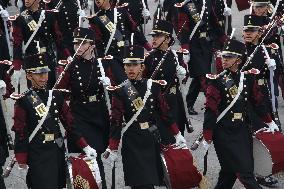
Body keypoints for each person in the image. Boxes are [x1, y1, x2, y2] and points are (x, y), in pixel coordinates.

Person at [103, 45, 186, 189]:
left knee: (149, 183)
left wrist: (177, 134)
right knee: (142, 185)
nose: (131, 69)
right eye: (127, 65)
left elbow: (165, 112)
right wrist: (113, 148)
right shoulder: (120, 91)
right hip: (132, 142)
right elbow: (116, 122)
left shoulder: (152, 87)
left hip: (150, 140)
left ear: (142, 66)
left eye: (134, 65)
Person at [12, 53, 97, 189]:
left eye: (45, 73)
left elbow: (70, 124)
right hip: (37, 155)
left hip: (56, 151)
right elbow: (20, 132)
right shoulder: (23, 101)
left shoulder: (55, 95)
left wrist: (85, 146)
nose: (43, 77)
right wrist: (22, 159)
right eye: (38, 74)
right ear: (29, 76)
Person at [203, 38, 279, 189]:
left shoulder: (247, 79)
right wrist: (207, 136)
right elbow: (210, 111)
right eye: (223, 56)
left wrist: (270, 121)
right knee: (245, 172)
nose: (224, 60)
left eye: (229, 57)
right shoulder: (217, 81)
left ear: (238, 59)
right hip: (224, 133)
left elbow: (258, 102)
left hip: (242, 131)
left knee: (228, 174)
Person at [55, 27, 116, 189]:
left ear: (91, 45)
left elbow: (119, 91)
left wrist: (109, 85)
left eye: (82, 44)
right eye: (76, 44)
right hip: (80, 114)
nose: (78, 47)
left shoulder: (101, 64)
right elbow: (58, 93)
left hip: (98, 113)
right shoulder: (71, 66)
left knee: (97, 155)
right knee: (90, 156)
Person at [242, 14, 282, 186]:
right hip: (246, 98)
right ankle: (253, 172)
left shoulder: (268, 50)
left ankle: (265, 171)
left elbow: (278, 71)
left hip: (263, 95)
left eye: (252, 31)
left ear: (260, 32)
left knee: (268, 133)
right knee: (252, 136)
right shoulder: (239, 51)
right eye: (246, 31)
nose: (248, 33)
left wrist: (274, 64)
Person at [175, 0, 226, 115]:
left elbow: (214, 23)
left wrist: (225, 40)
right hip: (193, 46)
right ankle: (213, 105)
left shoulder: (207, 2)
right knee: (203, 76)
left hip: (206, 45)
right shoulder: (187, 5)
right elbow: (183, 29)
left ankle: (187, 105)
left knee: (199, 77)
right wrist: (185, 49)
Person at [11, 0, 72, 89]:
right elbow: (17, 44)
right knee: (35, 95)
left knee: (50, 91)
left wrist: (68, 55)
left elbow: (58, 39)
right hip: (31, 61)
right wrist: (17, 67)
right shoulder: (20, 19)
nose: (26, 0)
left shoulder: (49, 15)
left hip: (47, 59)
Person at [144, 19, 189, 136]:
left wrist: (183, 74)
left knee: (177, 137)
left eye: (158, 36)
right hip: (157, 102)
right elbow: (142, 81)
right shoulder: (148, 58)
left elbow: (184, 79)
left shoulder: (176, 56)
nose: (153, 39)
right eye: (153, 36)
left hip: (174, 101)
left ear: (168, 39)